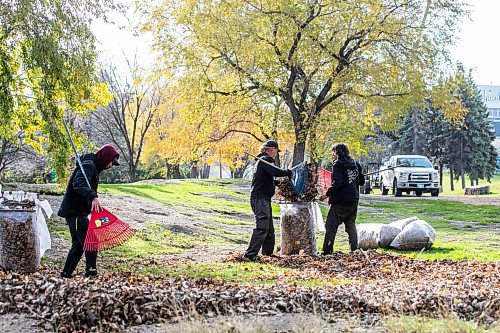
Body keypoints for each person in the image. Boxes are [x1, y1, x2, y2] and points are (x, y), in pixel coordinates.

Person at [58, 144, 120, 278]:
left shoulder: (93, 167)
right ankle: (91, 272)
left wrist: (92, 203)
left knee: (79, 245)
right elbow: (78, 183)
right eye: (110, 162)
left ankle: (65, 274)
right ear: (105, 157)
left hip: (79, 211)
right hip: (74, 211)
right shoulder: (88, 165)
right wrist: (92, 197)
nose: (110, 165)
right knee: (91, 240)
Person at [243, 140, 292, 262]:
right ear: (270, 149)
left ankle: (268, 254)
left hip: (262, 198)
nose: (276, 153)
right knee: (262, 227)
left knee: (269, 228)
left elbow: (266, 179)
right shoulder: (266, 160)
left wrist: (275, 183)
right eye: (276, 150)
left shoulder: (260, 162)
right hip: (260, 199)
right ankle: (249, 255)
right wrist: (288, 173)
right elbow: (275, 171)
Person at [322, 143, 365, 255]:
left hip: (340, 201)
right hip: (353, 200)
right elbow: (362, 181)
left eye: (333, 152)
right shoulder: (355, 164)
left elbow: (338, 182)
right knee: (351, 225)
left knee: (331, 225)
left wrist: (327, 194)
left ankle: (327, 251)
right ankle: (354, 250)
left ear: (337, 152)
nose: (332, 154)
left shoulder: (338, 165)